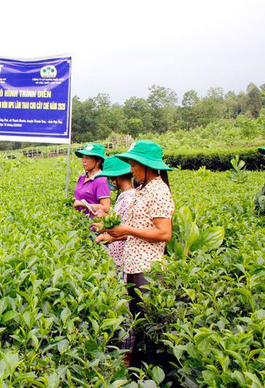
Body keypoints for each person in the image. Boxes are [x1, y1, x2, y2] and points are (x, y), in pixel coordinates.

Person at [99, 140, 174, 366]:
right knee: (136, 321)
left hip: (148, 268)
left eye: (133, 164)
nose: (131, 169)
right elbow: (137, 229)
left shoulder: (159, 190)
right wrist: (114, 236)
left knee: (148, 323)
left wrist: (126, 230)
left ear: (146, 166)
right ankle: (137, 367)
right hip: (133, 265)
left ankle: (152, 368)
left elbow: (164, 233)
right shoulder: (142, 190)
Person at [94, 155, 136, 269]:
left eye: (109, 177)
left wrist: (111, 237)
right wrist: (105, 224)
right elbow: (121, 222)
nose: (108, 180)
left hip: (123, 258)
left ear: (117, 177)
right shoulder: (123, 195)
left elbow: (131, 230)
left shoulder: (129, 198)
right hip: (116, 255)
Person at [72, 143, 110, 217]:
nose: (83, 160)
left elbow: (106, 208)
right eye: (83, 157)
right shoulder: (82, 177)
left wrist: (82, 204)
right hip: (78, 221)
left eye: (88, 158)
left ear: (98, 161)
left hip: (92, 224)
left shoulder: (101, 180)